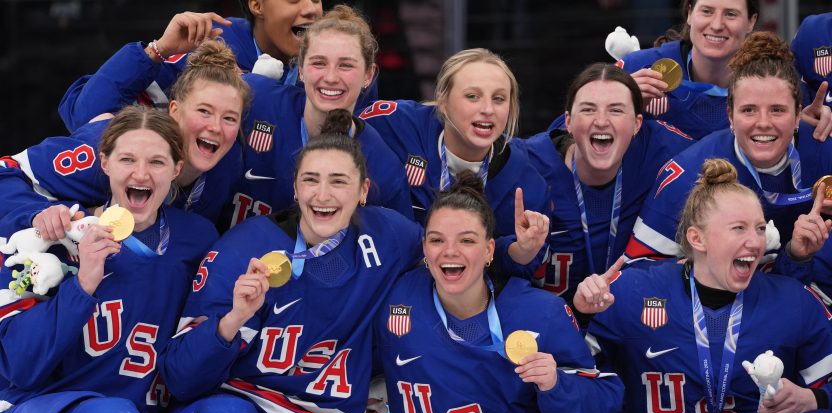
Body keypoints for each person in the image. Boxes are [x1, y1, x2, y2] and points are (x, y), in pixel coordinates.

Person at [158, 109, 424, 413]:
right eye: (311, 179)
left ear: (363, 191)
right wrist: (233, 319)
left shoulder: (390, 237)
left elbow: (451, 267)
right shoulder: (244, 248)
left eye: (339, 181)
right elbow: (180, 378)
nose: (322, 195)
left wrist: (391, 374)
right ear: (295, 188)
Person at [0, 106, 219, 413]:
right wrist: (83, 283)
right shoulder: (56, 231)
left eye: (157, 162)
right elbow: (19, 365)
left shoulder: (199, 241)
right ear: (104, 162)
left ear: (177, 169)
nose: (141, 174)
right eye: (127, 160)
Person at [375, 170, 623, 413]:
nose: (450, 251)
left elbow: (604, 409)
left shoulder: (541, 313)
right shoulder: (396, 298)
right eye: (437, 240)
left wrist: (556, 384)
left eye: (467, 240)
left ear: (490, 250)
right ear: (424, 248)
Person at [576, 158, 832, 413]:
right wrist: (582, 314)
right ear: (697, 238)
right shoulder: (633, 290)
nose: (755, 242)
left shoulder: (793, 299)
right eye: (739, 228)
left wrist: (815, 397)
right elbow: (573, 374)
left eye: (760, 229)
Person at [626, 32, 832, 273]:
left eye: (777, 110)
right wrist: (703, 275)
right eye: (749, 110)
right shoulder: (690, 173)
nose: (763, 122)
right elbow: (639, 270)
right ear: (730, 116)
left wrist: (797, 257)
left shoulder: (823, 152)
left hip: (796, 299)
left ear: (798, 115)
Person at [0, 39, 250, 230]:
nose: (216, 127)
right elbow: (7, 171)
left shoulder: (228, 169)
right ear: (174, 110)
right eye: (204, 111)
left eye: (229, 118)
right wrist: (43, 214)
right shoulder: (116, 144)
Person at [359, 48, 550, 275]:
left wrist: (521, 252)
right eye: (472, 96)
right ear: (443, 100)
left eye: (499, 99)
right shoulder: (395, 124)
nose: (488, 109)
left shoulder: (527, 184)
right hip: (389, 277)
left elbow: (515, 273)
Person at [515, 63, 694, 303]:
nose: (601, 121)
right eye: (588, 109)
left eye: (616, 110)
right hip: (546, 328)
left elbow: (728, 154)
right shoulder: (526, 164)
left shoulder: (662, 151)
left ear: (637, 124)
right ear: (567, 121)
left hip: (629, 322)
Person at [230, 5, 412, 228]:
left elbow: (400, 247)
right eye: (319, 63)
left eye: (345, 65)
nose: (331, 77)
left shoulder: (383, 168)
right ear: (301, 69)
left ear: (368, 75)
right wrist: (172, 47)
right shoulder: (253, 99)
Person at [58, 3, 323, 132]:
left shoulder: (336, 67)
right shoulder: (209, 45)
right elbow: (86, 117)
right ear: (257, 5)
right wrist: (158, 50)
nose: (311, 8)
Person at [616, 0, 758, 139]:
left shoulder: (768, 88)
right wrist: (619, 106)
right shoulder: (634, 68)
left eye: (731, 14)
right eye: (707, 11)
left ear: (751, 21)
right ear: (690, 13)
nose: (716, 25)